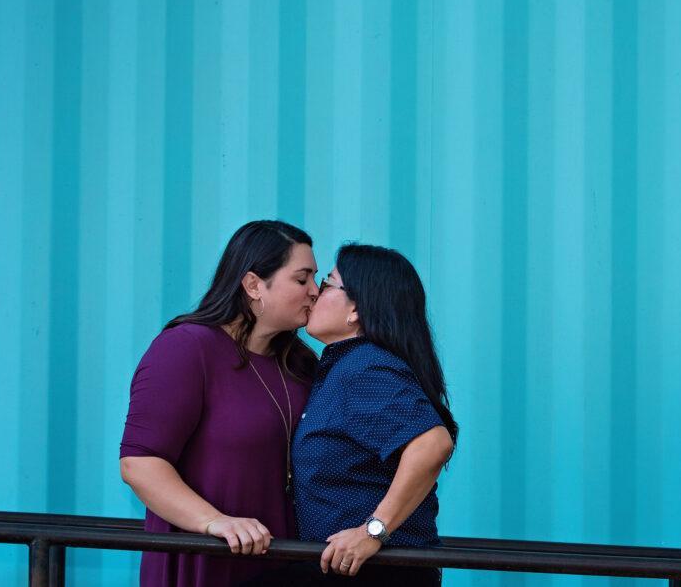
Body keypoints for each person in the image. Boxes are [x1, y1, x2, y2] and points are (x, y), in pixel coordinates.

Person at [119, 220, 319, 586]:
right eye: (302, 279)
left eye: (316, 280)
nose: (315, 292)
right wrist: (215, 522)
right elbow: (140, 464)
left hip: (282, 564)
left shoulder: (301, 364)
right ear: (254, 285)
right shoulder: (185, 348)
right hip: (207, 561)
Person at [249, 243, 457, 586]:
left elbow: (433, 444)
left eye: (328, 283)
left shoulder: (365, 368)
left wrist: (373, 531)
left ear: (356, 310)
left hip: (376, 574)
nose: (314, 293)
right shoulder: (343, 367)